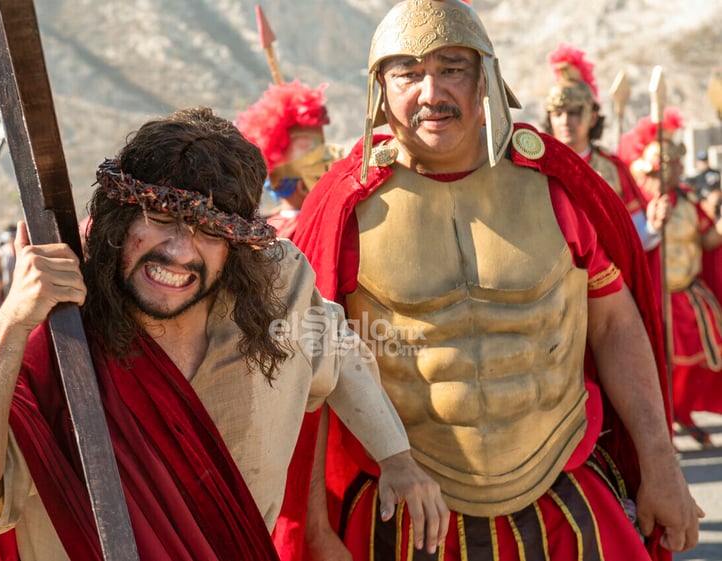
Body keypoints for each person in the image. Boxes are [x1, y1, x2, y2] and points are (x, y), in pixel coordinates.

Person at [0, 107, 447, 560]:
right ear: (116, 219)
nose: (178, 249)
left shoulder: (277, 289)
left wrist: (395, 458)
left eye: (209, 229)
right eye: (158, 214)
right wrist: (12, 321)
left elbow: (340, 349)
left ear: (238, 248)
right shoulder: (55, 334)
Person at [292, 1, 702, 559]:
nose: (431, 93)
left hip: (564, 488)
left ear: (487, 77)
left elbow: (613, 325)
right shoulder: (343, 208)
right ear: (380, 91)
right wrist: (315, 533)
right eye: (408, 73)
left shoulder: (554, 187)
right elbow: (309, 377)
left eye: (452, 67)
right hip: (408, 506)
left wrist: (661, 463)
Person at [621, 109, 722, 447]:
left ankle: (685, 410)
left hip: (691, 295)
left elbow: (706, 240)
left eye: (679, 164)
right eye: (672, 165)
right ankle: (668, 417)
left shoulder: (690, 200)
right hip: (659, 298)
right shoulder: (643, 206)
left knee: (706, 357)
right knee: (664, 364)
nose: (679, 169)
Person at [543, 43, 668, 252]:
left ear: (592, 117)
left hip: (604, 279)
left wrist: (652, 228)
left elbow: (633, 239)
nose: (565, 121)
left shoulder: (613, 169)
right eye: (558, 113)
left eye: (573, 112)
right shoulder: (538, 167)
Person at [236, 80, 343, 239]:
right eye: (306, 146)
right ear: (276, 178)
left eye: (320, 144)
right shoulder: (281, 237)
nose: (324, 155)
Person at [686, 150, 721, 218]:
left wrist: (716, 195)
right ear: (697, 163)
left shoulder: (716, 173)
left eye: (705, 161)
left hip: (717, 205)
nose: (703, 163)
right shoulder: (695, 178)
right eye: (701, 161)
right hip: (704, 207)